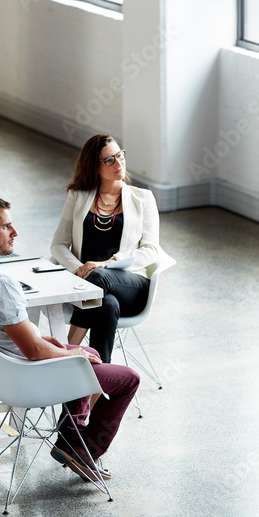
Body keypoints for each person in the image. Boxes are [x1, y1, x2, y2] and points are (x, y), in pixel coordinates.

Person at [0, 196, 139, 482]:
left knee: (88, 349)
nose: (15, 232)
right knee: (128, 379)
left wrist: (49, 340)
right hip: (30, 376)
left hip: (3, 370)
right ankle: (85, 451)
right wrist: (73, 354)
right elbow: (33, 352)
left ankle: (70, 439)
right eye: (7, 226)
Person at [50, 134, 172, 363]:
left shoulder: (143, 198)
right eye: (109, 160)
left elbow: (151, 249)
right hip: (85, 283)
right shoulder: (78, 196)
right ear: (93, 166)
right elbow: (58, 244)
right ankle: (96, 389)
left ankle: (65, 355)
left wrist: (105, 265)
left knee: (99, 278)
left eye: (120, 155)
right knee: (107, 304)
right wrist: (79, 269)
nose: (119, 163)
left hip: (130, 284)